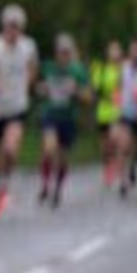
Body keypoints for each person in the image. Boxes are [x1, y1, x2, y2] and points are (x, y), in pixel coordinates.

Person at [0, 4, 39, 220]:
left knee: (10, 149)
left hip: (17, 106)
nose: (13, 31)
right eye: (10, 26)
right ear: (4, 26)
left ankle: (6, 183)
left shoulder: (28, 47)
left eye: (17, 27)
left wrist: (26, 85)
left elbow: (33, 67)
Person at [36, 33, 91, 207]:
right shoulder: (48, 67)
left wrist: (76, 91)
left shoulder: (78, 71)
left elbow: (88, 97)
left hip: (69, 118)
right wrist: (41, 88)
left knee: (63, 158)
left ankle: (57, 189)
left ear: (72, 53)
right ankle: (45, 184)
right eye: (61, 52)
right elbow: (36, 86)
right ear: (56, 53)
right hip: (50, 114)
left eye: (67, 52)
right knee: (49, 149)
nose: (64, 56)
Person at [115, 38, 137, 198]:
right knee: (123, 146)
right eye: (133, 50)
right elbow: (117, 87)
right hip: (127, 114)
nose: (135, 53)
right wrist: (117, 104)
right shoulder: (124, 68)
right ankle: (123, 181)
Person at [90, 40, 124, 187]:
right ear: (107, 53)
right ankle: (107, 166)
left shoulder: (124, 69)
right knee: (105, 146)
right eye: (112, 50)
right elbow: (95, 90)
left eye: (117, 50)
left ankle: (116, 165)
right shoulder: (101, 69)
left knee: (115, 138)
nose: (115, 53)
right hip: (103, 111)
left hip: (120, 111)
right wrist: (107, 96)